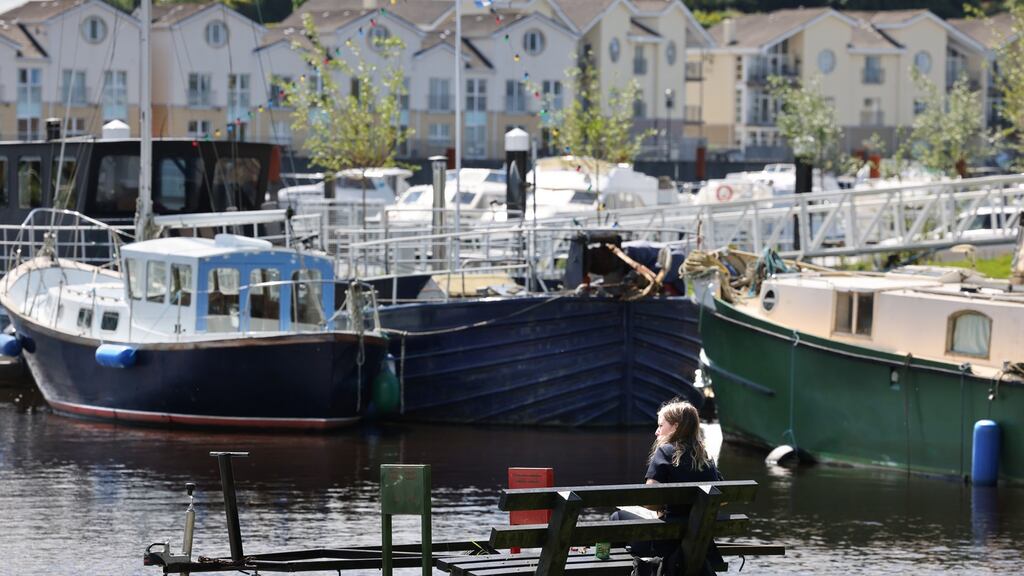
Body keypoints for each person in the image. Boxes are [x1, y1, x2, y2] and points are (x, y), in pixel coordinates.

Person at [612, 399, 723, 576]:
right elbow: (721, 499)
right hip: (698, 542)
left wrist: (660, 509)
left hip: (666, 542)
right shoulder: (706, 457)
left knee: (617, 517)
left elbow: (651, 503)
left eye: (661, 425)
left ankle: (613, 570)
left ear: (675, 427)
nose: (657, 432)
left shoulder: (665, 451)